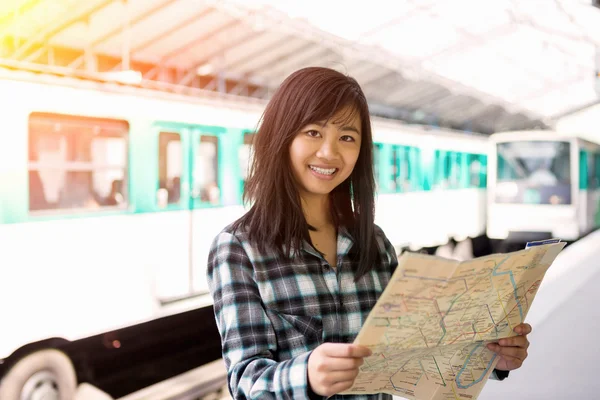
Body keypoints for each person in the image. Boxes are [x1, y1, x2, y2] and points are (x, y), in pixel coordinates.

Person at [206, 67, 532, 400]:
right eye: (313, 132)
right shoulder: (238, 248)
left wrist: (492, 357)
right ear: (282, 135)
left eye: (347, 137)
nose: (329, 152)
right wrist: (306, 375)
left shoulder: (373, 242)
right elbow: (245, 380)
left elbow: (415, 349)